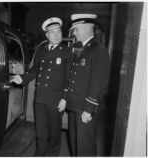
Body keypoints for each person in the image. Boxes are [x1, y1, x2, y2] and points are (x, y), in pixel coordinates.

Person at [10, 17, 74, 156]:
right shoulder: (42, 50)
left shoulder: (67, 53)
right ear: (47, 35)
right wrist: (22, 78)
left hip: (56, 100)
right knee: (40, 132)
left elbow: (70, 78)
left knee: (54, 134)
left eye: (58, 32)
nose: (56, 35)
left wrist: (65, 98)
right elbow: (35, 69)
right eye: (52, 32)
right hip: (40, 99)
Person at [66, 14, 110, 156]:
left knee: (85, 148)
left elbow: (98, 82)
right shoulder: (83, 49)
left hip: (84, 108)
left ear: (86, 29)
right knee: (75, 144)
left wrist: (89, 109)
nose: (74, 33)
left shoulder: (99, 51)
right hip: (75, 105)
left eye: (76, 29)